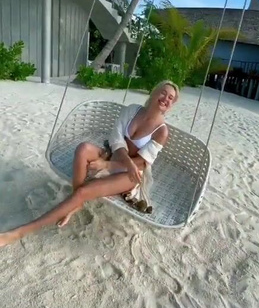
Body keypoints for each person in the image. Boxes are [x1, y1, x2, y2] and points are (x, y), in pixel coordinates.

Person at [0, 81, 179, 247]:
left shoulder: (161, 131)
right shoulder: (132, 110)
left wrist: (109, 166)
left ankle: (19, 232)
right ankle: (75, 203)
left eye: (171, 98)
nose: (165, 99)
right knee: (84, 148)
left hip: (131, 175)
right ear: (153, 93)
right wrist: (108, 162)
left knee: (84, 192)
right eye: (163, 93)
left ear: (172, 105)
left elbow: (142, 162)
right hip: (113, 156)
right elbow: (116, 139)